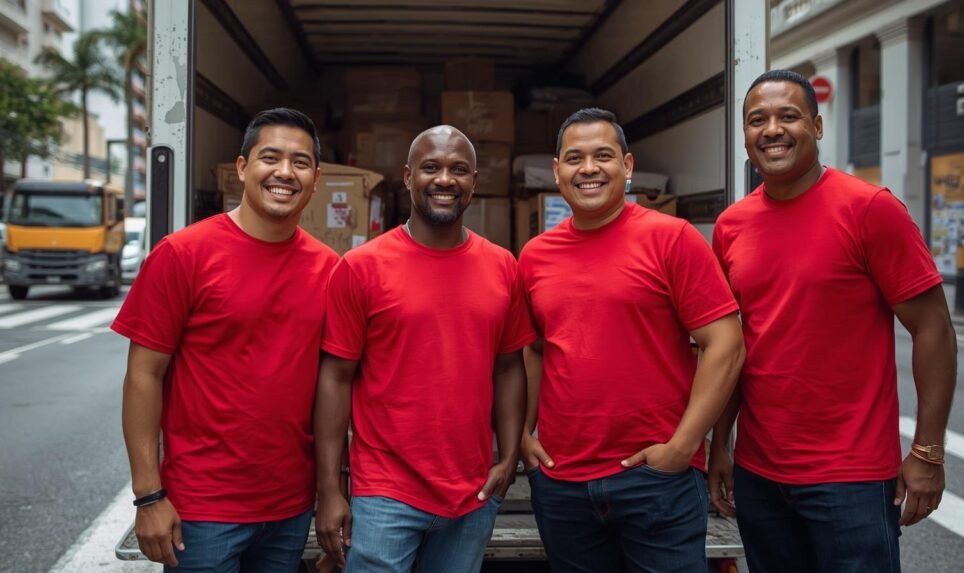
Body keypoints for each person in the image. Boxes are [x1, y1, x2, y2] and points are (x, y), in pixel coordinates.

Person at [709, 70, 958, 572]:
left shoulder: (870, 210)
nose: (772, 130)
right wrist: (722, 445)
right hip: (760, 476)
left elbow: (933, 328)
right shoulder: (731, 226)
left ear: (818, 127)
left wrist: (928, 453)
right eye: (757, 120)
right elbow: (733, 347)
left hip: (852, 479)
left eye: (789, 117)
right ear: (744, 134)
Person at [517, 108, 745, 572]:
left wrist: (683, 447)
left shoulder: (672, 239)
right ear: (557, 170)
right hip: (563, 483)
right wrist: (523, 435)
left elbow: (726, 344)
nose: (588, 168)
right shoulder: (535, 255)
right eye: (574, 158)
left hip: (655, 479)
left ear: (628, 166)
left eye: (603, 155)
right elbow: (534, 348)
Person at [114, 108, 339, 570]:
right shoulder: (182, 254)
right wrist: (148, 494)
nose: (284, 173)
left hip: (290, 507)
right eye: (269, 157)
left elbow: (333, 385)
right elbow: (143, 375)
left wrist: (330, 492)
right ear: (242, 168)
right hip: (202, 509)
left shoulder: (330, 269)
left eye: (299, 163)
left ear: (316, 180)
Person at [314, 125, 534, 572]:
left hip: (472, 494)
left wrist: (509, 457)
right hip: (385, 493)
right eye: (431, 167)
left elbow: (510, 367)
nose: (445, 180)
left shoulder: (503, 267)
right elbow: (335, 379)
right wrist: (330, 489)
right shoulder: (361, 268)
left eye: (459, 169)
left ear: (475, 180)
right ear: (408, 175)